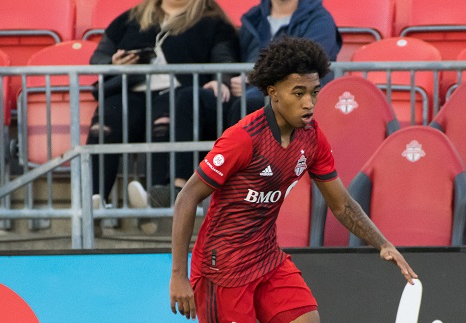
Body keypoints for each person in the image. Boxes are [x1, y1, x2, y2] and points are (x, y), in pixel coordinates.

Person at [105, 36, 418, 323]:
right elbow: (188, 197)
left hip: (268, 260)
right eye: (298, 92)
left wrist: (383, 243)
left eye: (314, 92)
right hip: (223, 271)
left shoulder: (312, 138)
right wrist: (178, 274)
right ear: (273, 92)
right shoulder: (244, 138)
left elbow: (340, 202)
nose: (309, 103)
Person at [143, 0, 342, 208]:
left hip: (286, 103)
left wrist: (252, 79)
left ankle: (234, 191)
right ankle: (179, 189)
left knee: (250, 103)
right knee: (190, 98)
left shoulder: (319, 20)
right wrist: (222, 80)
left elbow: (305, 70)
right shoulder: (253, 18)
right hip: (246, 95)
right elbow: (233, 59)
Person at [87, 0, 239, 233]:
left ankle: (154, 203)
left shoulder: (212, 21)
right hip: (128, 90)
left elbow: (225, 60)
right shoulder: (131, 18)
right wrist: (113, 62)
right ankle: (93, 203)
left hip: (175, 92)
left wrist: (222, 81)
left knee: (163, 124)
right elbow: (98, 57)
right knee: (104, 125)